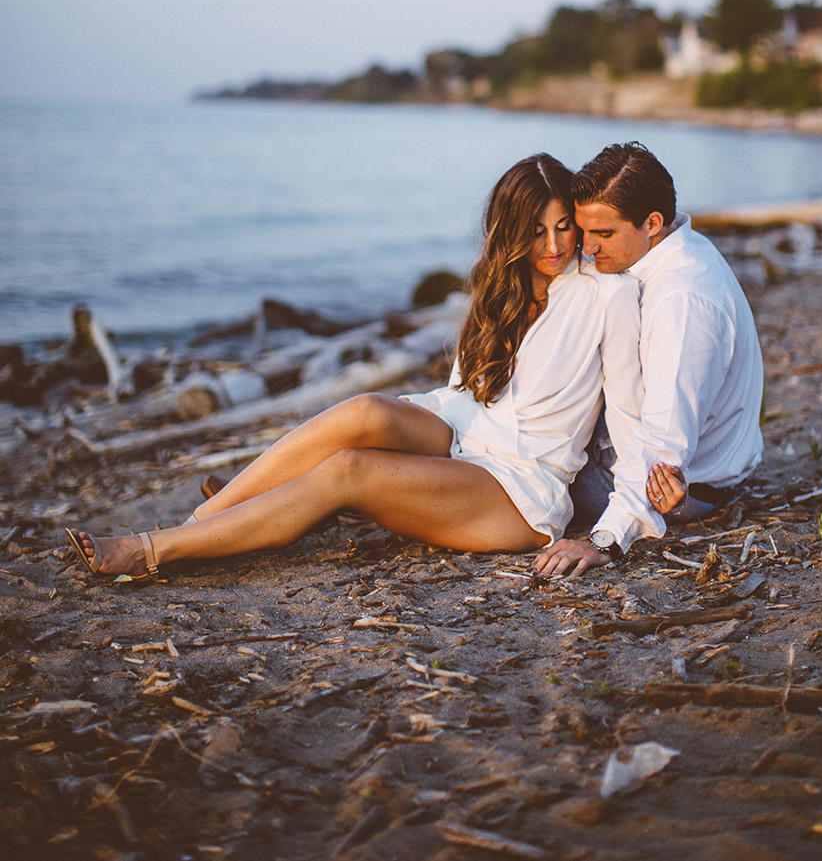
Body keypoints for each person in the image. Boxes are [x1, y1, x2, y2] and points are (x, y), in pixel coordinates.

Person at [65, 155, 637, 577]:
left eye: (565, 226)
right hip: (463, 432)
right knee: (362, 411)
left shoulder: (603, 293)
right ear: (510, 231)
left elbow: (637, 414)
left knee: (347, 471)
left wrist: (615, 531)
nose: (555, 245)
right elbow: (464, 392)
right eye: (537, 230)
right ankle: (209, 518)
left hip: (519, 489)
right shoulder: (501, 288)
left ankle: (152, 550)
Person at [531, 142, 763, 580]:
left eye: (604, 235)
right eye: (584, 232)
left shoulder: (682, 301)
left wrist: (606, 539)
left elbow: (662, 451)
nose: (587, 248)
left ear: (652, 223)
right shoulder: (678, 249)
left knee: (523, 465)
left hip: (685, 490)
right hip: (701, 467)